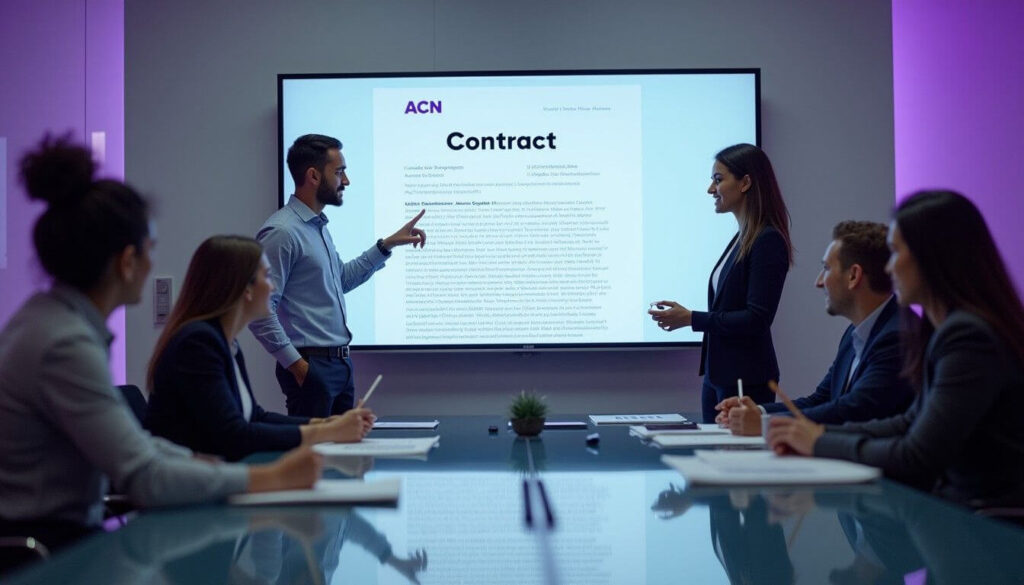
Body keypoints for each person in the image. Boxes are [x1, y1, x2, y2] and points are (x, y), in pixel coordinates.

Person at [0, 136, 321, 552]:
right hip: (50, 553)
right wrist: (270, 478)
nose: (154, 265)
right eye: (151, 250)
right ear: (128, 261)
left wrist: (188, 462)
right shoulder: (64, 343)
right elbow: (144, 475)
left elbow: (134, 448)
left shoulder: (52, 323)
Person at [768, 190, 1024, 508]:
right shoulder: (950, 330)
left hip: (989, 527)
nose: (888, 269)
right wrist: (811, 434)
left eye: (895, 253)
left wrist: (819, 441)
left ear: (932, 257)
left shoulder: (968, 337)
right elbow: (908, 422)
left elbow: (917, 455)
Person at [146, 235, 376, 461]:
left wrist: (327, 423)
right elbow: (234, 435)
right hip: (189, 491)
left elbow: (255, 416)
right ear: (245, 289)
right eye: (267, 276)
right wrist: (326, 432)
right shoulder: (198, 344)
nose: (273, 285)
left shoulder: (224, 341)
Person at [249, 134, 426, 417]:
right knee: (316, 456)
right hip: (311, 365)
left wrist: (386, 245)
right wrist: (296, 365)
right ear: (314, 176)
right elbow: (258, 310)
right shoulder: (282, 232)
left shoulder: (316, 227)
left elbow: (340, 280)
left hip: (339, 365)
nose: (346, 181)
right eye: (340, 172)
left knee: (342, 453)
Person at [715, 221, 915, 435]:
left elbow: (854, 410)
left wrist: (764, 424)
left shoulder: (897, 336)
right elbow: (821, 400)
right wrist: (760, 411)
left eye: (827, 268)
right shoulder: (855, 333)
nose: (819, 282)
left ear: (853, 276)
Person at [650, 143, 793, 422]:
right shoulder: (743, 237)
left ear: (746, 183)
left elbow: (757, 318)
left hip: (745, 379)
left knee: (737, 462)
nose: (710, 189)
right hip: (718, 376)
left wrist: (692, 318)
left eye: (718, 180)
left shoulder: (767, 240)